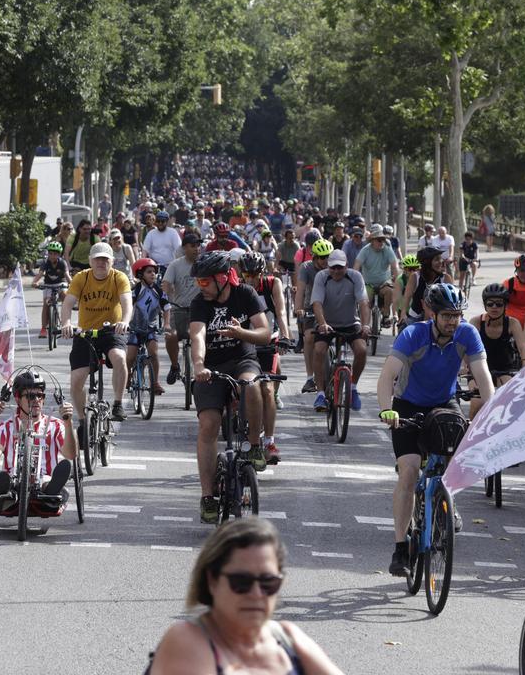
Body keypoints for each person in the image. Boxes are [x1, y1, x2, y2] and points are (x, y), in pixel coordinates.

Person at [378, 283, 495, 576]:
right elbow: (386, 377)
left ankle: (446, 498)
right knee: (409, 471)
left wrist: (491, 414)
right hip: (407, 406)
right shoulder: (413, 335)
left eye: (456, 315)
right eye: (446, 315)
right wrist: (386, 408)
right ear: (432, 314)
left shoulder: (467, 334)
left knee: (452, 460)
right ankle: (401, 548)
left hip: (444, 404)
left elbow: (483, 377)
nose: (452, 321)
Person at [148, 518, 344, 675]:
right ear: (212, 580)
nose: (256, 593)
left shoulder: (288, 638)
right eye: (241, 581)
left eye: (268, 582)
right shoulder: (187, 641)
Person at [190, 251, 271, 522]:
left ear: (223, 278)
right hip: (210, 367)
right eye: (198, 283)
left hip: (242, 360)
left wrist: (241, 333)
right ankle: (207, 496)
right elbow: (198, 335)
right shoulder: (199, 303)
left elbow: (264, 333)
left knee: (251, 385)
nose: (201, 288)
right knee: (208, 425)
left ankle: (255, 444)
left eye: (205, 282)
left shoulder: (245, 294)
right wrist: (199, 365)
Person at [0, 368, 76, 514]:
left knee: (49, 480)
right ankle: (1, 494)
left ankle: (52, 491)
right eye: (30, 396)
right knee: (7, 480)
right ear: (17, 398)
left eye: (40, 395)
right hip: (13, 486)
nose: (36, 400)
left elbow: (70, 454)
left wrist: (69, 422)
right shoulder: (6, 427)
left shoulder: (56, 425)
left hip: (44, 486)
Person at [60, 242, 132, 424]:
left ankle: (117, 403)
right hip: (86, 333)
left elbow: (127, 303)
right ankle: (83, 420)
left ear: (112, 261)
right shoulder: (81, 278)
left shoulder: (119, 278)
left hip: (112, 330)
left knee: (120, 358)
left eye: (105, 259)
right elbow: (67, 303)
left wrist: (124, 321)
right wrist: (67, 323)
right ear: (90, 261)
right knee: (76, 380)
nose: (101, 262)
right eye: (98, 259)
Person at [240, 251, 291, 465]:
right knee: (240, 387)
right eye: (246, 274)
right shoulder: (236, 287)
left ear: (262, 272)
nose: (250, 278)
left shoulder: (272, 284)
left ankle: (269, 441)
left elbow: (280, 312)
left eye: (254, 274)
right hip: (243, 342)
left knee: (268, 389)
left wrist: (286, 336)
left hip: (267, 342)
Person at [310, 249, 370, 412]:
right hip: (327, 323)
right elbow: (317, 303)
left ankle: (353, 388)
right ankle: (321, 393)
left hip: (350, 323)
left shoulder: (355, 277)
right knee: (319, 350)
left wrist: (366, 325)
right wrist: (322, 323)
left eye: (340, 267)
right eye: (333, 268)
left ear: (347, 266)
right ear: (328, 267)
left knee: (361, 350)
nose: (336, 271)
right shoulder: (321, 277)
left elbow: (363, 302)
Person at [465, 283, 525, 418]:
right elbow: (466, 350)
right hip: (479, 370)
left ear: (505, 305)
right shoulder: (475, 322)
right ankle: (468, 434)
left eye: (499, 304)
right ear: (485, 305)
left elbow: (523, 348)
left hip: (505, 369)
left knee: (509, 400)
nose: (494, 307)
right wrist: (465, 370)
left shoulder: (513, 323)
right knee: (477, 402)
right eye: (490, 304)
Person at [127, 257, 171, 402]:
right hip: (135, 329)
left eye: (154, 272)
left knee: (154, 352)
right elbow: (127, 307)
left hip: (151, 328)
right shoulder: (136, 290)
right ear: (140, 274)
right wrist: (125, 322)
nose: (153, 274)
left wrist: (166, 324)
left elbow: (166, 307)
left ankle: (155, 383)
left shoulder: (158, 290)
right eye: (149, 272)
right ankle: (127, 378)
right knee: (130, 357)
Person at [162, 233, 203, 386]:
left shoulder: (204, 263)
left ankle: (202, 368)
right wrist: (165, 296)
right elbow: (165, 284)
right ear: (184, 248)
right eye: (193, 246)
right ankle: (175, 366)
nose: (197, 249)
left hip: (198, 310)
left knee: (205, 338)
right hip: (178, 309)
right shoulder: (175, 265)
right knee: (170, 336)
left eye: (198, 245)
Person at [294, 239, 333, 393]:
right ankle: (310, 378)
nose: (326, 260)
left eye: (328, 256)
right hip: (310, 308)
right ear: (315, 257)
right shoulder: (306, 268)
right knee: (309, 337)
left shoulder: (334, 267)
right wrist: (298, 308)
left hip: (330, 307)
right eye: (323, 257)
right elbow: (301, 289)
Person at [353, 228, 399, 328]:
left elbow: (395, 266)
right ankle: (365, 325)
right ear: (372, 241)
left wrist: (397, 279)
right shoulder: (365, 250)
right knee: (365, 300)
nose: (381, 242)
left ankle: (386, 316)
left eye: (383, 240)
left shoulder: (387, 249)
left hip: (384, 282)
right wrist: (355, 281)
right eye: (379, 240)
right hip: (368, 283)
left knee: (390, 291)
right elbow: (356, 266)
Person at [402, 245, 451, 324]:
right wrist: (403, 314)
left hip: (438, 319)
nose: (441, 262)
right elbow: (407, 297)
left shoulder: (445, 278)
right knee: (404, 332)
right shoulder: (415, 277)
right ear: (427, 263)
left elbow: (451, 301)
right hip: (416, 317)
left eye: (440, 258)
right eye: (437, 259)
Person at [32, 241, 71, 338]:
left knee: (65, 298)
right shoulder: (45, 262)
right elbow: (40, 274)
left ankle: (64, 322)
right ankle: (43, 329)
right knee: (46, 303)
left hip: (60, 283)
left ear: (59, 254)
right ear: (48, 254)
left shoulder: (62, 263)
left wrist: (73, 284)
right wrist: (35, 282)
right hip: (48, 284)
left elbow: (67, 275)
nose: (53, 256)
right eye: (51, 253)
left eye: (55, 254)